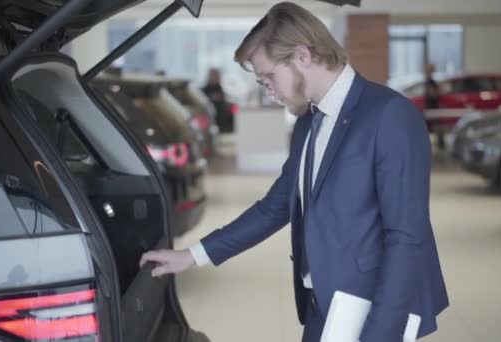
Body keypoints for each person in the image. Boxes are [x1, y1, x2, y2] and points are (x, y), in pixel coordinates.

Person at [140, 2, 449, 341]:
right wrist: (193, 255)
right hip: (322, 306)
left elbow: (406, 237)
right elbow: (275, 207)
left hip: (373, 311)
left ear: (302, 55)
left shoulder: (389, 115)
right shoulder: (308, 122)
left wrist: (380, 335)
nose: (267, 89)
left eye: (269, 76)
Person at [202, 68, 233, 132]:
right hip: (208, 119)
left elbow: (224, 102)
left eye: (216, 76)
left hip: (220, 120)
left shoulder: (220, 90)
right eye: (213, 76)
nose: (215, 78)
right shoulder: (204, 90)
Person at [424, 63, 445, 149]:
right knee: (435, 125)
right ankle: (440, 143)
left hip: (432, 106)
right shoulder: (429, 82)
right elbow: (432, 94)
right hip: (431, 107)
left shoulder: (430, 81)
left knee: (434, 125)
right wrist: (439, 90)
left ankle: (440, 143)